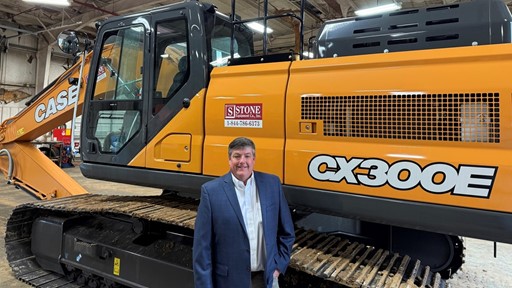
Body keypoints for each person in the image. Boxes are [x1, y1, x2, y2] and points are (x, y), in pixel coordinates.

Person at [193, 137, 295, 288]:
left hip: (267, 278)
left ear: (253, 159)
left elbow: (287, 232)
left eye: (247, 156)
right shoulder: (211, 192)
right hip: (229, 282)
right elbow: (202, 249)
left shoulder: (272, 184)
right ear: (229, 160)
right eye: (236, 156)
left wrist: (279, 265)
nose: (242, 161)